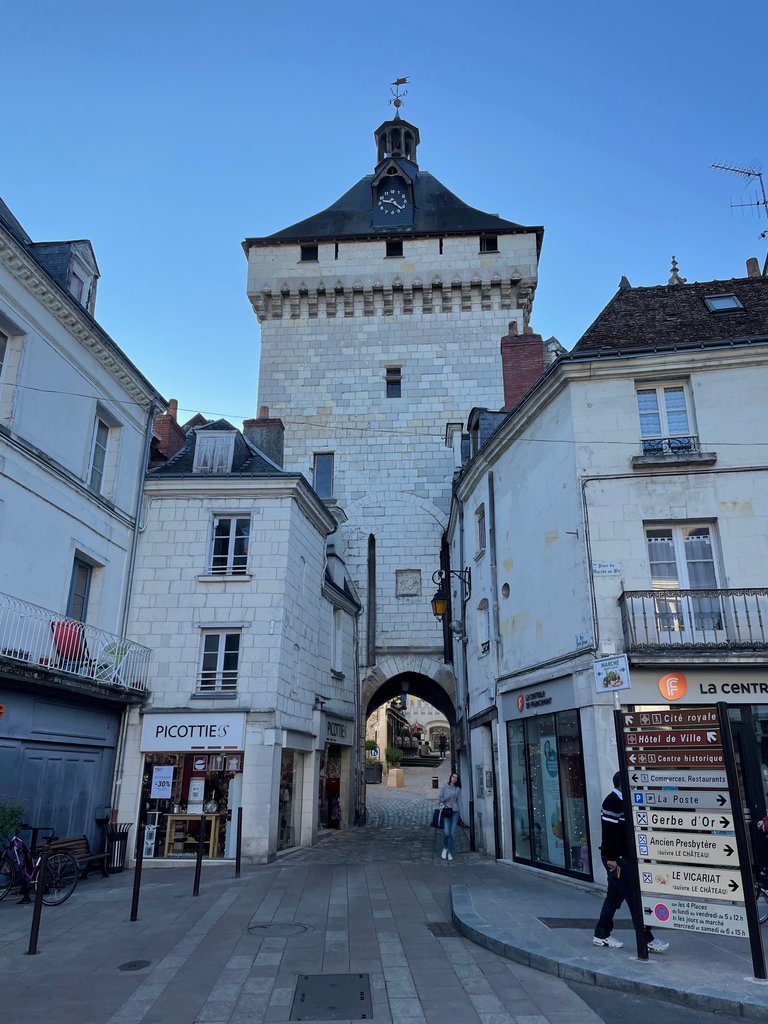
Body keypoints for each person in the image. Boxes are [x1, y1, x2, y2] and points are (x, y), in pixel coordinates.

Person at [593, 771, 669, 953]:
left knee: (614, 897)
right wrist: (611, 859)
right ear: (622, 784)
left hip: (620, 857)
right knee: (634, 898)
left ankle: (601, 934)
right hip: (617, 859)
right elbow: (609, 832)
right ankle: (647, 939)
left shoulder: (623, 801)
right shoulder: (612, 801)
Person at [438, 771, 461, 861]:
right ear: (450, 777)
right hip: (447, 811)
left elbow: (459, 801)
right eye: (453, 777)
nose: (454, 779)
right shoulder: (444, 787)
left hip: (455, 812)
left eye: (456, 778)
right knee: (447, 833)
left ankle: (450, 852)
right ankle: (445, 848)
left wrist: (460, 814)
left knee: (452, 833)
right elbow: (440, 799)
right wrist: (447, 798)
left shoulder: (458, 789)